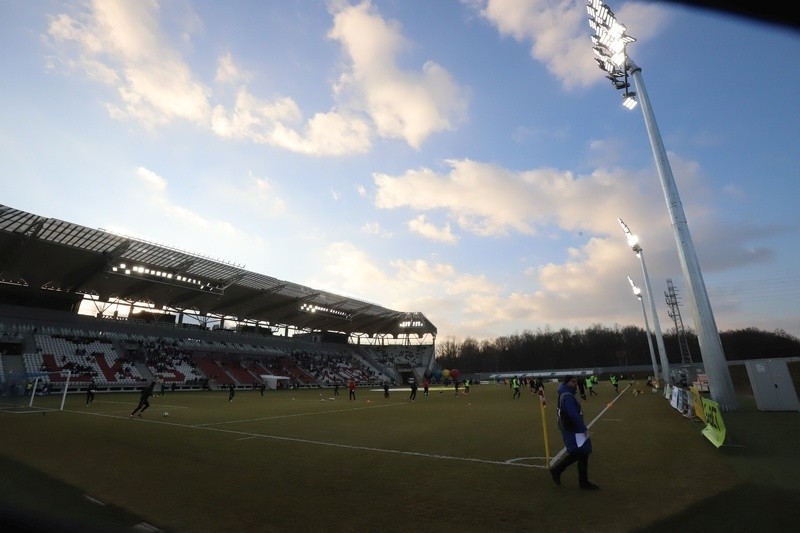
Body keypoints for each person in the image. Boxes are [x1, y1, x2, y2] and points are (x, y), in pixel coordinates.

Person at [549, 375, 599, 490]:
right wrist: (583, 429)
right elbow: (573, 414)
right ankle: (581, 481)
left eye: (576, 382)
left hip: (574, 429)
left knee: (581, 453)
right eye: (572, 381)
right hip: (574, 430)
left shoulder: (566, 394)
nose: (575, 384)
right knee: (581, 453)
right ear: (567, 383)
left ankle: (559, 471)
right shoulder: (567, 397)